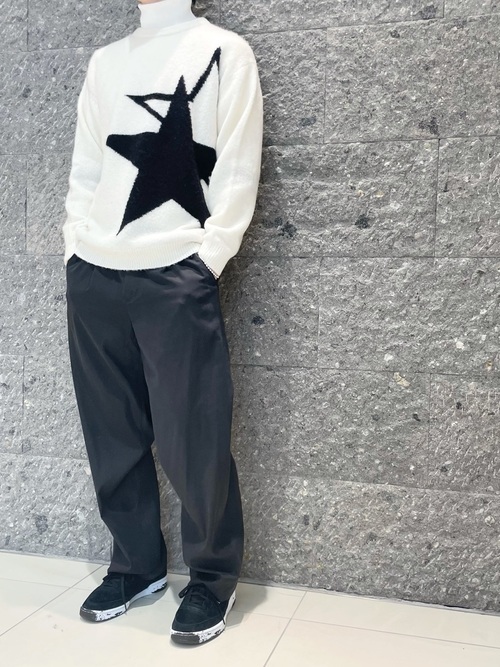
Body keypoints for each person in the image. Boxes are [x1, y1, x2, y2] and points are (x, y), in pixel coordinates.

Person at [62, 0, 263, 645]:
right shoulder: (106, 61)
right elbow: (87, 166)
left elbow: (238, 165)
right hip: (96, 272)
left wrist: (208, 258)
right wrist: (75, 246)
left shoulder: (224, 51)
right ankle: (136, 566)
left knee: (193, 434)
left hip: (177, 273)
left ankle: (211, 577)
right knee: (111, 433)